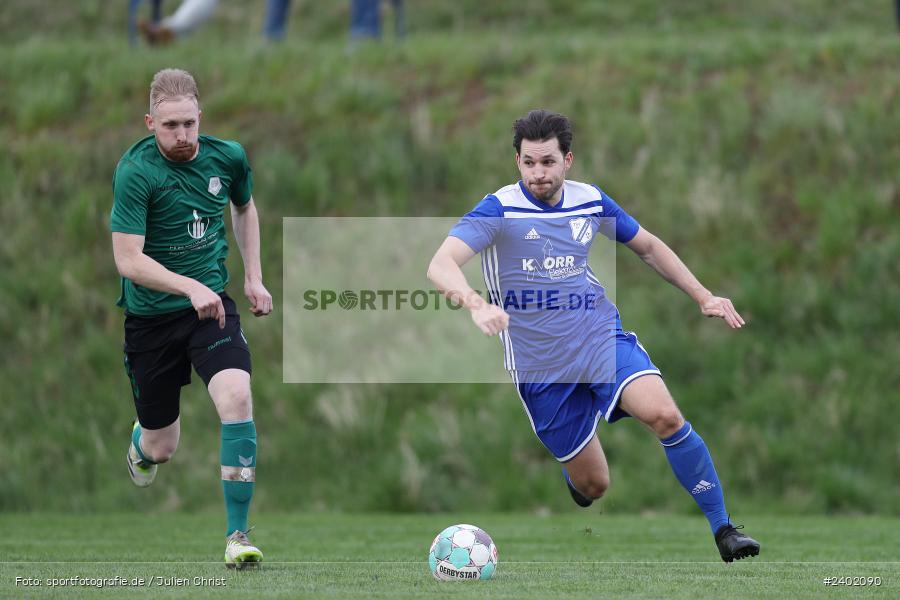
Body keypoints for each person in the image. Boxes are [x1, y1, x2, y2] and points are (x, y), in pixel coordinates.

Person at [426, 109, 760, 563]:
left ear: (568, 159)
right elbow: (440, 264)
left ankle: (724, 529)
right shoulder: (499, 209)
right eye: (528, 163)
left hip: (598, 337)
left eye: (547, 162)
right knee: (594, 485)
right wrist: (475, 303)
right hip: (540, 367)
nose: (538, 173)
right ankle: (576, 479)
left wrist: (702, 295)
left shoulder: (590, 201)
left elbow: (648, 247)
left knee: (664, 415)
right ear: (517, 162)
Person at [111, 68, 273, 569]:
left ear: (200, 117)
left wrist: (252, 278)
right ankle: (142, 443)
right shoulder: (136, 173)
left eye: (188, 124)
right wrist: (188, 286)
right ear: (149, 123)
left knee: (238, 395)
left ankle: (236, 535)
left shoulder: (229, 157)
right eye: (169, 127)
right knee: (163, 446)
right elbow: (128, 259)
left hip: (211, 311)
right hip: (152, 320)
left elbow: (244, 209)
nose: (182, 136)